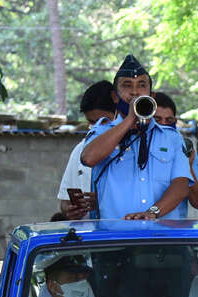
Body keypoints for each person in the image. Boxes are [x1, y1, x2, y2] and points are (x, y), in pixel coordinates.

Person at [80, 55, 191, 220]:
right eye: (127, 86)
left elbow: (181, 185)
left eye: (141, 85)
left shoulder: (171, 137)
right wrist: (131, 118)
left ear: (151, 96)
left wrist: (152, 213)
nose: (135, 92)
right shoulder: (101, 132)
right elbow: (88, 158)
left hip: (163, 237)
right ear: (115, 96)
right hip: (116, 236)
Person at [56, 81, 116, 221]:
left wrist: (104, 202)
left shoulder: (136, 151)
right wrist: (69, 210)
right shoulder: (80, 150)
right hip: (89, 239)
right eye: (92, 122)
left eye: (103, 122)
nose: (96, 128)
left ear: (119, 115)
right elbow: (64, 201)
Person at [153, 91, 198, 217]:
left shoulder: (185, 148)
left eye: (169, 121)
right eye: (157, 120)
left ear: (175, 122)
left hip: (173, 232)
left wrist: (187, 168)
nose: (163, 126)